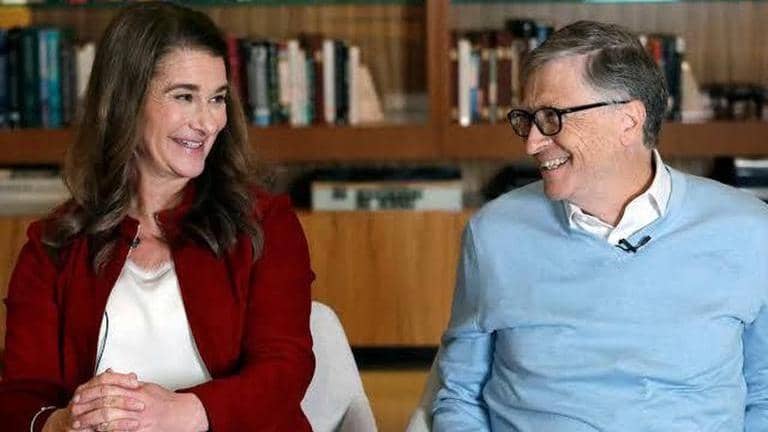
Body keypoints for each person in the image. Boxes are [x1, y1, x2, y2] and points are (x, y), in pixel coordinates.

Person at [432, 20, 768, 431]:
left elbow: (765, 395)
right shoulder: (494, 234)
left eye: (552, 117)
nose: (532, 142)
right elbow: (460, 395)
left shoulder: (749, 231)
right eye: (527, 119)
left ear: (628, 121)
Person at [0, 2, 315, 431]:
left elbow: (284, 370)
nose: (208, 122)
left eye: (217, 98)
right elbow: (20, 398)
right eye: (184, 96)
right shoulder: (53, 244)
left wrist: (180, 412)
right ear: (125, 102)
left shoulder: (266, 224)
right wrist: (63, 423)